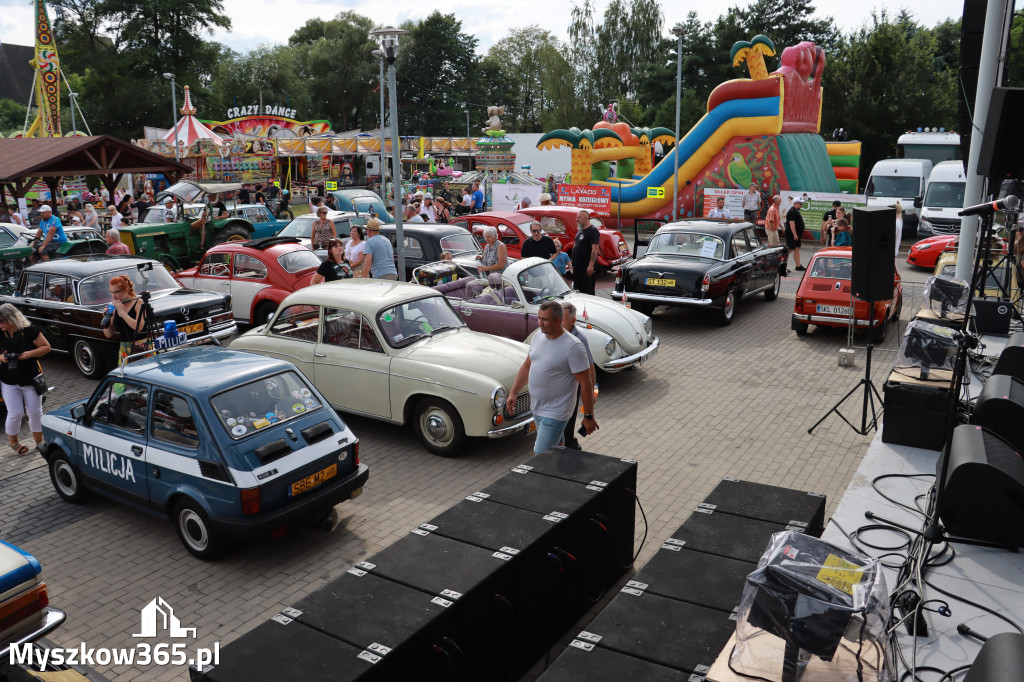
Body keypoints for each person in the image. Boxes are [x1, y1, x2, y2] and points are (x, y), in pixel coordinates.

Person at [506, 300, 597, 454]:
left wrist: (588, 416)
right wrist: (514, 392)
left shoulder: (573, 346)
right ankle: (564, 470)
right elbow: (527, 366)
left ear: (558, 320)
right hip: (537, 408)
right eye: (539, 318)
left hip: (557, 412)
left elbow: (585, 382)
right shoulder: (537, 337)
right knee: (556, 450)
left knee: (540, 454)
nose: (540, 323)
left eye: (545, 320)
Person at [0, 304, 51, 454]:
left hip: (30, 378)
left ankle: (39, 442)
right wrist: (1, 358)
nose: (0, 324)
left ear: (12, 318)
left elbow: (46, 347)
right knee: (15, 413)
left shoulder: (30, 330)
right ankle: (14, 443)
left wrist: (30, 354)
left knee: (35, 412)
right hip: (8, 379)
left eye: (3, 321)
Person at [560, 301, 596, 450]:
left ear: (573, 321)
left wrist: (592, 393)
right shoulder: (552, 334)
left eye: (562, 320)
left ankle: (571, 447)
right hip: (555, 391)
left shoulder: (579, 339)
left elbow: (590, 367)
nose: (558, 322)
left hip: (571, 391)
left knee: (567, 426)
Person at [103, 274, 152, 364]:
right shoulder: (116, 306)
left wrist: (122, 312)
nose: (114, 296)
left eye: (116, 292)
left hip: (141, 347)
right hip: (125, 349)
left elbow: (139, 327)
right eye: (111, 292)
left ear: (126, 289)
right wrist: (107, 318)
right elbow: (108, 334)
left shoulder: (138, 302)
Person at [571, 210, 600, 295]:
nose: (576, 219)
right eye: (576, 217)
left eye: (579, 217)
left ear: (586, 218)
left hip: (586, 268)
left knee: (587, 291)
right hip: (577, 267)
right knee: (577, 291)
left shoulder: (593, 230)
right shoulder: (580, 230)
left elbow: (595, 249)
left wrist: (591, 265)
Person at [786, 197, 806, 271]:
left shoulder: (796, 211)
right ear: (795, 203)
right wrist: (794, 234)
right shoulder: (792, 211)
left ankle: (798, 266)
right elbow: (792, 223)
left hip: (797, 234)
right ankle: (781, 265)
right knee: (789, 249)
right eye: (800, 204)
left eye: (802, 204)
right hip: (792, 235)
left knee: (797, 248)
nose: (801, 205)